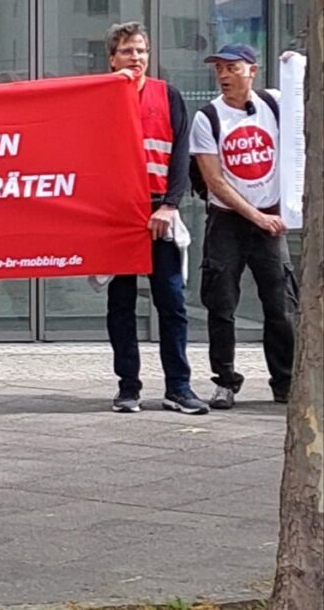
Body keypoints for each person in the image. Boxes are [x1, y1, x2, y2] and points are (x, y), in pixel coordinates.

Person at [187, 43, 298, 409]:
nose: (223, 76)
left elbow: (306, 111)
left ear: (252, 69)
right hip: (229, 221)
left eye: (231, 68)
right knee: (221, 303)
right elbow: (215, 181)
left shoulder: (275, 102)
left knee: (281, 304)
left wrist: (294, 65)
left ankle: (284, 382)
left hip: (271, 217)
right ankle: (225, 381)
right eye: (218, 69)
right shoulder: (208, 117)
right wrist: (257, 216)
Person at [103, 23, 206, 415]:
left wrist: (171, 204)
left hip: (159, 208)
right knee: (121, 304)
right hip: (117, 214)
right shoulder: (100, 96)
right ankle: (128, 387)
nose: (137, 58)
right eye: (128, 51)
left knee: (172, 302)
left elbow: (181, 153)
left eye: (142, 51)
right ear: (112, 58)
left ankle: (178, 387)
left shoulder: (168, 95)